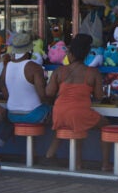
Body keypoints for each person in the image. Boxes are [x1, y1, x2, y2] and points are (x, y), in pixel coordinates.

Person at [45, 33, 110, 171]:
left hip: (59, 112)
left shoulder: (60, 71)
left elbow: (49, 93)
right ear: (87, 53)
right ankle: (105, 164)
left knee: (74, 126)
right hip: (79, 113)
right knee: (105, 125)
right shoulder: (92, 72)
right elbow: (99, 96)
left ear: (70, 53)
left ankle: (52, 155)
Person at [0, 32, 51, 124]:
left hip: (12, 114)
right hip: (33, 115)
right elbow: (43, 95)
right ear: (30, 50)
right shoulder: (35, 67)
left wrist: (13, 100)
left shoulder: (7, 66)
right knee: (51, 109)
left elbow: (2, 86)